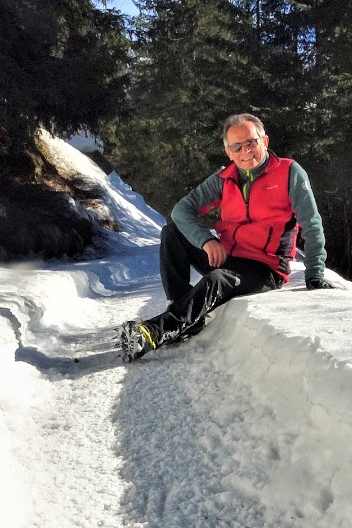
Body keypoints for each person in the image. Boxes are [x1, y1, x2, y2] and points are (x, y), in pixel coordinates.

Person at [118, 113, 333, 361]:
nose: (245, 151)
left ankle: (155, 332)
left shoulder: (289, 172)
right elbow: (181, 210)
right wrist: (206, 240)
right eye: (237, 146)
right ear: (228, 152)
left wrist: (315, 273)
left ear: (265, 141)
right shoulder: (224, 178)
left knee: (216, 281)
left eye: (251, 142)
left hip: (265, 267)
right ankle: (187, 316)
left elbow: (312, 223)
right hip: (229, 256)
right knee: (171, 233)